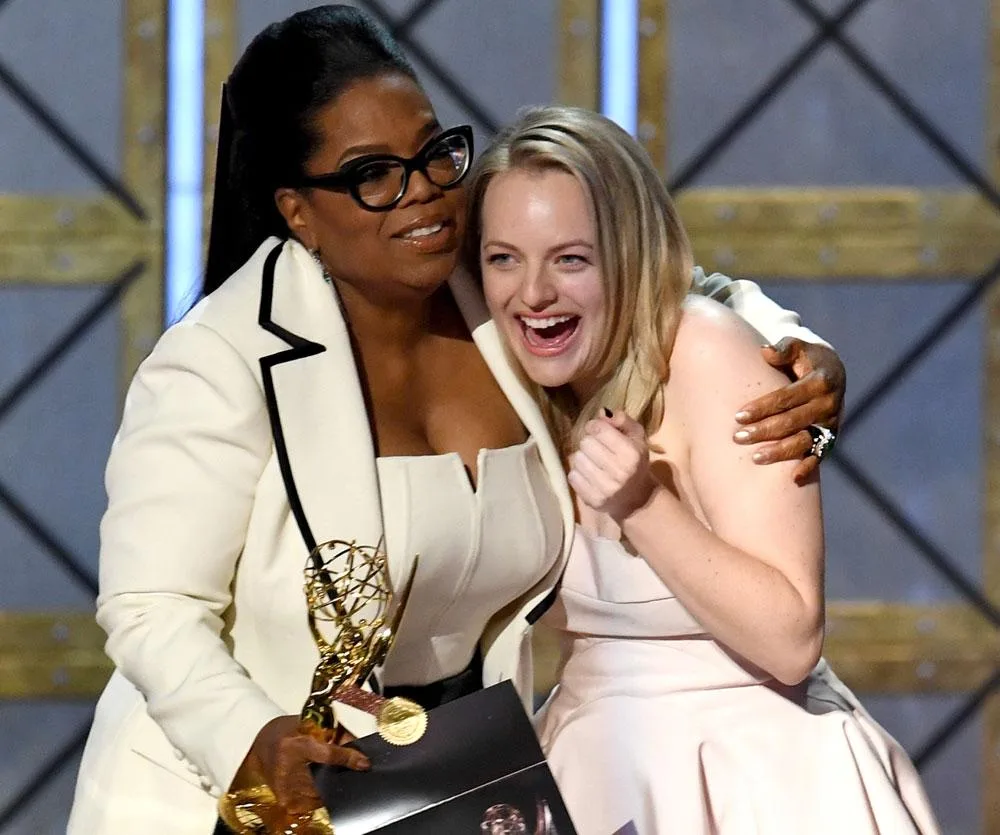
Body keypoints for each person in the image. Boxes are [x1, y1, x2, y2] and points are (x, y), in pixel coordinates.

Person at [66, 7, 843, 833]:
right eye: (373, 174)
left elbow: (647, 274)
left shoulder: (488, 276)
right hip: (235, 797)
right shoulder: (219, 359)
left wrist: (800, 345)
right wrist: (249, 736)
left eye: (435, 152)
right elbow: (150, 606)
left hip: (438, 793)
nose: (426, 193)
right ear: (298, 211)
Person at [466, 105, 941, 835]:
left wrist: (644, 503)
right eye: (504, 258)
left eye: (571, 258)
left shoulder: (709, 353)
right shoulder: (500, 362)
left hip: (753, 780)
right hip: (586, 763)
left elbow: (790, 638)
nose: (532, 293)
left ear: (626, 253)